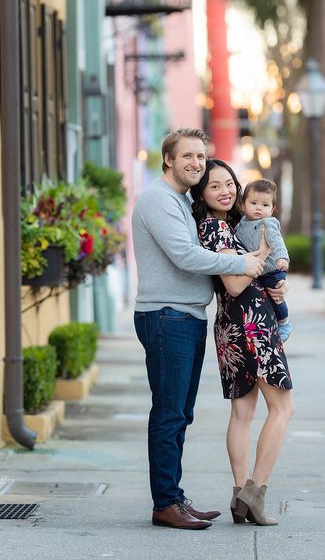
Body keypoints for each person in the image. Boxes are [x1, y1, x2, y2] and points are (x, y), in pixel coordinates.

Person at [132, 128, 283, 530]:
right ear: (168, 159)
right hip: (166, 315)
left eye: (201, 156)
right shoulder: (158, 200)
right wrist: (245, 264)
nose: (196, 163)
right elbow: (184, 255)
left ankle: (174, 497)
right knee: (169, 413)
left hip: (185, 315)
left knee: (181, 413)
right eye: (188, 157)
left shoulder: (181, 201)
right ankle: (165, 503)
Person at [191, 159, 294, 526]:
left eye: (229, 183)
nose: (225, 190)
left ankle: (239, 496)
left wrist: (276, 285)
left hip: (234, 324)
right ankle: (255, 492)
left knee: (243, 414)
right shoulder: (217, 228)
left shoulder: (233, 224)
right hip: (250, 324)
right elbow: (235, 284)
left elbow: (251, 276)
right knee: (282, 409)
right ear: (202, 193)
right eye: (214, 185)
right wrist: (266, 255)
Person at [235, 179, 292, 342]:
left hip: (272, 269)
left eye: (265, 205)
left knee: (276, 295)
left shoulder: (267, 223)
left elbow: (276, 241)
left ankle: (284, 322)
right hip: (258, 269)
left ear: (272, 209)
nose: (259, 208)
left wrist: (282, 257)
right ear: (243, 204)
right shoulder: (241, 224)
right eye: (254, 203)